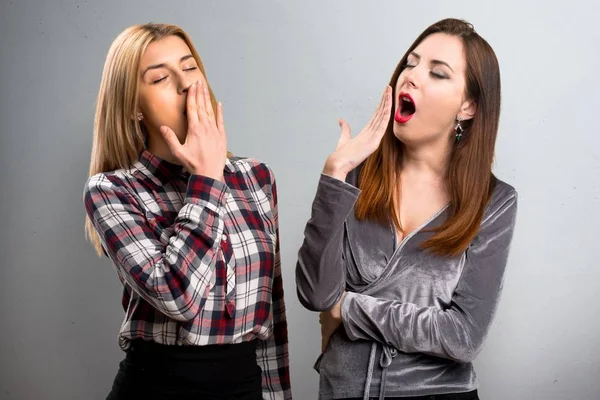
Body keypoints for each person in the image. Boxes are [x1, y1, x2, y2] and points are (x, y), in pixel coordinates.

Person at [296, 18, 517, 400]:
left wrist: (347, 308)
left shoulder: (494, 202)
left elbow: (462, 337)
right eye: (410, 63)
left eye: (438, 73)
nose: (411, 76)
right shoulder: (353, 178)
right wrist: (334, 177)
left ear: (467, 106)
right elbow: (316, 295)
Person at [83, 23, 290, 400]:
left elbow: (271, 316)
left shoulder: (255, 177)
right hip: (155, 386)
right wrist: (207, 177)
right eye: (160, 77)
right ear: (133, 108)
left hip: (244, 386)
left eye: (190, 68)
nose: (185, 84)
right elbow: (178, 297)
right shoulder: (112, 190)